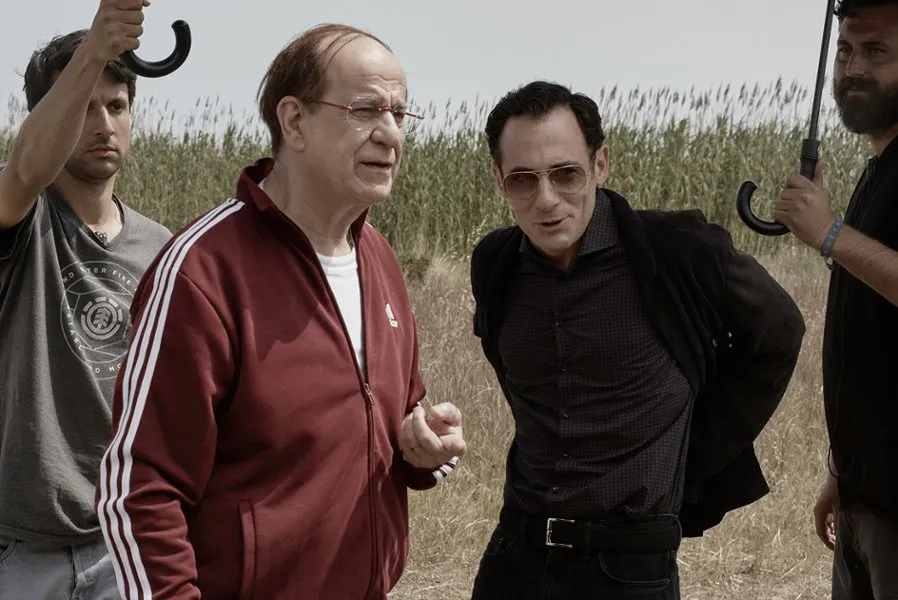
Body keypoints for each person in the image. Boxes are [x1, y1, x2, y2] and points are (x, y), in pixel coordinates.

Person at [95, 23, 465, 600]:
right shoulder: (203, 271)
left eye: (399, 113)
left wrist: (424, 449)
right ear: (294, 121)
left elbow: (395, 414)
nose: (391, 133)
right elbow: (139, 488)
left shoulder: (381, 260)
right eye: (366, 109)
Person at [468, 80, 806, 599]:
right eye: (522, 180)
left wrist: (689, 453)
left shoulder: (679, 250)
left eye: (566, 174)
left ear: (600, 164)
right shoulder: (495, 264)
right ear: (498, 179)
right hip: (514, 556)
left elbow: (780, 332)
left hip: (629, 567)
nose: (546, 199)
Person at [0, 0, 172, 598]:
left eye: (116, 106)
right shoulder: (21, 218)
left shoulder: (162, 248)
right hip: (20, 550)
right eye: (83, 105)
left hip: (123, 541)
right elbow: (25, 169)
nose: (102, 124)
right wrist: (97, 47)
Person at [772, 1, 898, 597]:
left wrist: (830, 233)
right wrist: (841, 470)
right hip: (866, 496)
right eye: (845, 50)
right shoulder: (879, 169)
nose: (853, 68)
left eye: (876, 51)